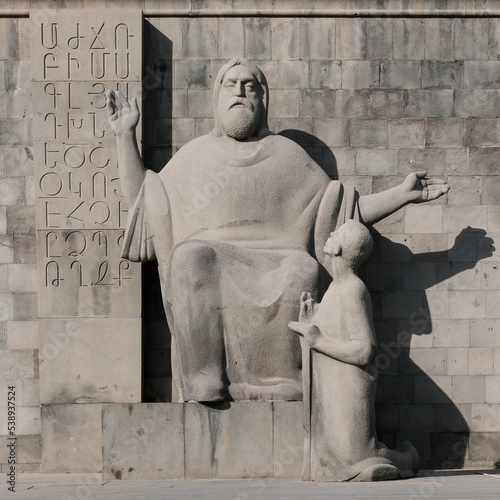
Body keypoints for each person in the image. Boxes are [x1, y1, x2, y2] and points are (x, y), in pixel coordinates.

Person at [106, 57, 449, 402]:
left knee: (302, 269)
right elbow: (145, 206)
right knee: (190, 257)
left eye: (249, 86)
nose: (240, 91)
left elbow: (340, 209)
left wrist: (400, 195)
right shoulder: (194, 156)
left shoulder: (286, 155)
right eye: (231, 84)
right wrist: (124, 138)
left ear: (262, 99)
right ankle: (205, 378)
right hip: (210, 257)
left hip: (276, 257)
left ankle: (279, 381)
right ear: (217, 98)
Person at [289, 220, 419, 482]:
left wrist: (319, 340)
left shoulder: (353, 289)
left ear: (338, 248)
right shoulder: (335, 289)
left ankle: (407, 459)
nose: (330, 235)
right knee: (345, 457)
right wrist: (310, 319)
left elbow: (364, 350)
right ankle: (399, 459)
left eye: (335, 233)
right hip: (332, 392)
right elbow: (330, 331)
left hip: (348, 392)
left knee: (355, 457)